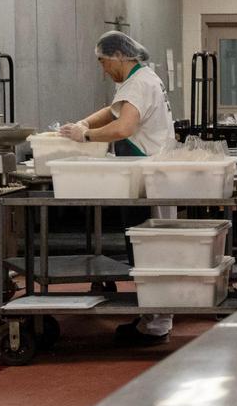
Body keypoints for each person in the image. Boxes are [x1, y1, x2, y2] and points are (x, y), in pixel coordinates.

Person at [60, 31, 176, 346]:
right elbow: (114, 111)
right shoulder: (138, 80)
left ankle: (156, 324)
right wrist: (82, 124)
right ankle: (152, 317)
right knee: (145, 249)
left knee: (151, 252)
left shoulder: (139, 82)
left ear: (118, 56)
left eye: (103, 62)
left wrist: (84, 137)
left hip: (149, 179)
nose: (103, 69)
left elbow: (123, 127)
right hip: (145, 176)